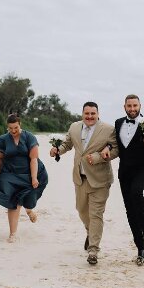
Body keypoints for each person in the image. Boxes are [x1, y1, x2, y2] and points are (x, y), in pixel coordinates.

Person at [50, 102, 118, 265]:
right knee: (81, 210)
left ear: (98, 113)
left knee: (96, 214)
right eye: (86, 113)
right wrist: (57, 150)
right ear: (82, 114)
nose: (89, 116)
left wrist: (99, 157)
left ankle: (93, 249)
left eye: (92, 114)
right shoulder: (74, 127)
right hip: (80, 178)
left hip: (100, 180)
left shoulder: (108, 129)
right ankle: (90, 232)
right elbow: (67, 144)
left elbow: (116, 150)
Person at [114, 94, 144, 265]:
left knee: (136, 192)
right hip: (124, 171)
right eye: (129, 106)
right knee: (129, 210)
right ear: (124, 107)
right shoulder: (118, 123)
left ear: (140, 106)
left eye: (135, 105)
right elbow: (115, 145)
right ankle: (141, 248)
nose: (132, 109)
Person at [0, 114, 48, 242]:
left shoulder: (29, 137)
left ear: (20, 124)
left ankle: (29, 210)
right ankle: (13, 234)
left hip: (29, 172)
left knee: (27, 197)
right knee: (12, 201)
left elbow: (33, 159)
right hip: (10, 173)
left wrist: (34, 178)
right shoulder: (3, 139)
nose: (13, 131)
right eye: (10, 128)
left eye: (16, 128)